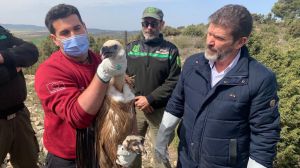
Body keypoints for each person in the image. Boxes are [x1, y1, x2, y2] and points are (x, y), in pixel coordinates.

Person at [155, 4, 281, 168]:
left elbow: (264, 134)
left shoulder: (260, 79)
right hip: (187, 161)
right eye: (209, 34)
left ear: (240, 42)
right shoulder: (193, 64)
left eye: (220, 38)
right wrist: (162, 138)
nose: (210, 42)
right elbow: (176, 103)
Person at [34, 4, 126, 167]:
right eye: (65, 33)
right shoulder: (49, 71)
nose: (74, 35)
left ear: (85, 27)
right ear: (54, 39)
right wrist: (103, 74)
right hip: (69, 158)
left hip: (102, 149)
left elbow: (118, 100)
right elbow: (78, 117)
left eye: (77, 28)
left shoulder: (99, 59)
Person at [126, 6, 181, 168]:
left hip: (160, 111)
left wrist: (150, 99)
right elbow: (124, 77)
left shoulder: (171, 50)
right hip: (135, 109)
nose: (149, 27)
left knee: (159, 152)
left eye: (153, 23)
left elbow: (174, 81)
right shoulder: (131, 48)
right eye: (145, 23)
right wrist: (138, 100)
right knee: (131, 149)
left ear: (161, 24)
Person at [0, 25, 39, 167]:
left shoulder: (1, 33)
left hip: (20, 116)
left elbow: (31, 51)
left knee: (28, 163)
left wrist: (3, 56)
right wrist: (13, 69)